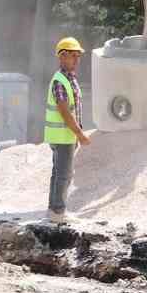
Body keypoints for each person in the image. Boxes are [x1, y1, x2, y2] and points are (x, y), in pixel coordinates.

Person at [43, 36, 93, 222]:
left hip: (65, 135)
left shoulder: (69, 79)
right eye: (74, 55)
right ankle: (58, 212)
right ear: (62, 56)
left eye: (78, 56)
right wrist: (80, 135)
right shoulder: (60, 81)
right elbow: (64, 112)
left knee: (58, 173)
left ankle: (54, 210)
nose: (77, 59)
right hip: (62, 136)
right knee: (64, 174)